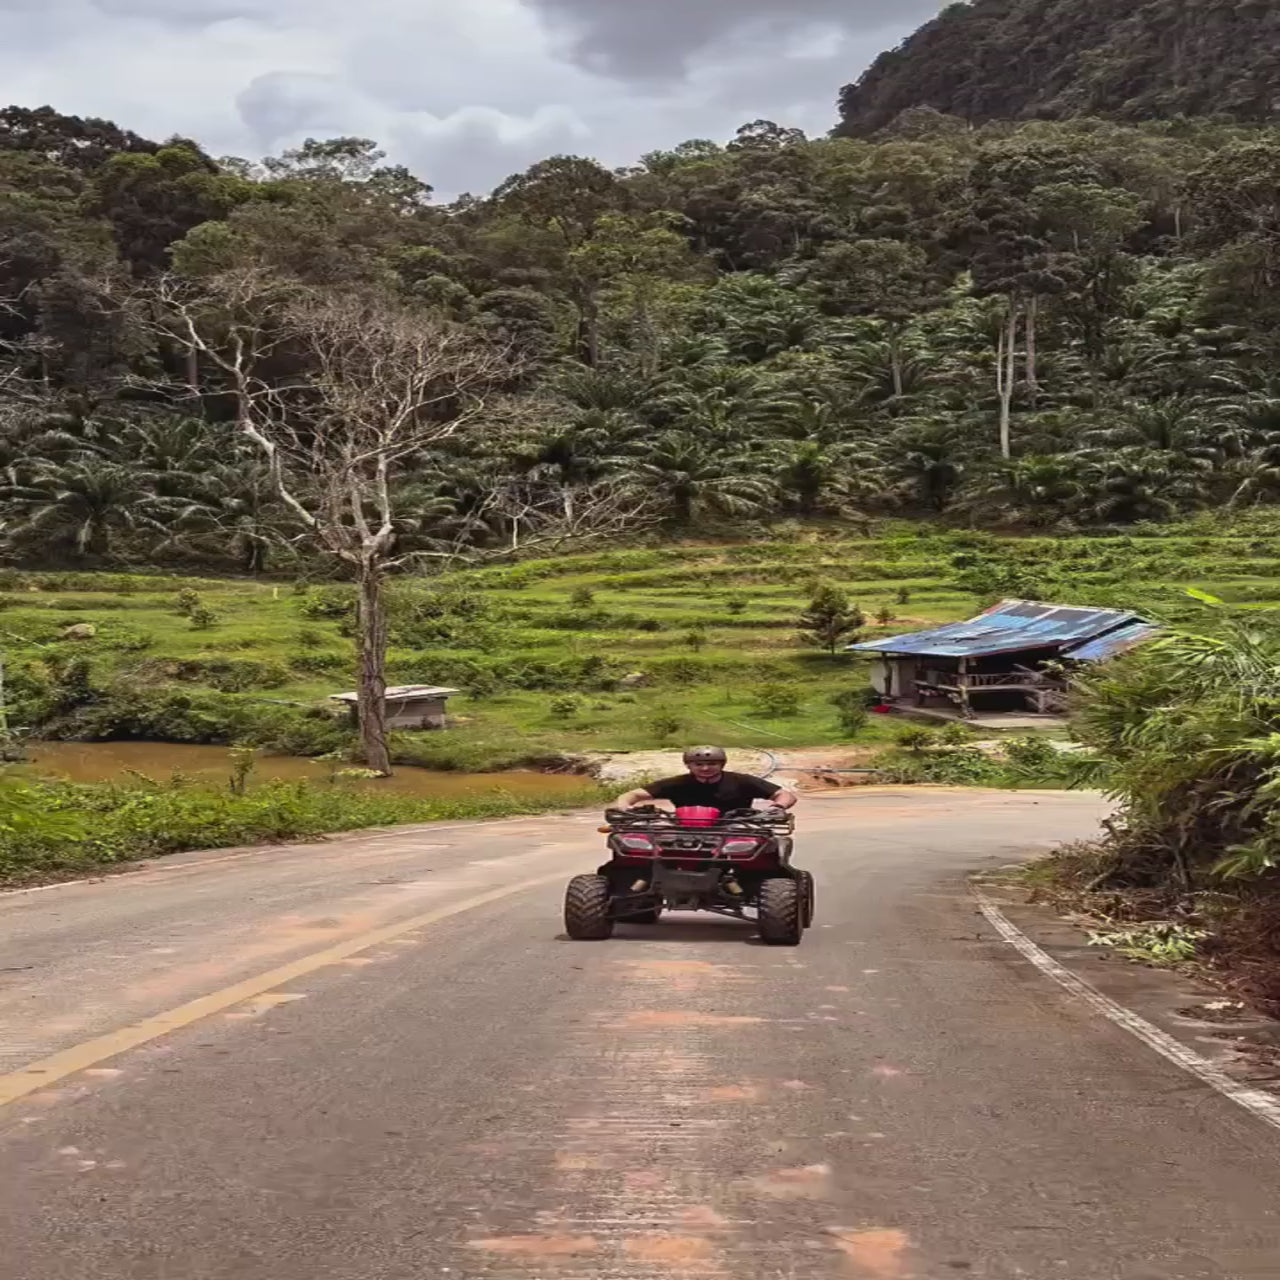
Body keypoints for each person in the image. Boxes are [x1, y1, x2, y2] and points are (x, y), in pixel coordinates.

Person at [615, 746, 798, 813]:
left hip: (737, 830)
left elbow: (784, 795)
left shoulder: (742, 781)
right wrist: (624, 806)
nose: (705, 768)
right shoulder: (677, 783)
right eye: (698, 764)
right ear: (688, 765)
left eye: (712, 763)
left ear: (722, 764)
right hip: (684, 832)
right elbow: (632, 795)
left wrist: (778, 807)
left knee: (764, 859)